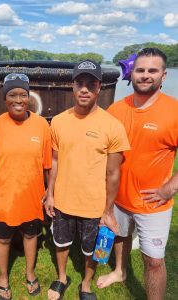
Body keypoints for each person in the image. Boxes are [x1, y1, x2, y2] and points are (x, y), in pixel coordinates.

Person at [96, 48, 178, 300]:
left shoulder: (174, 111)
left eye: (152, 70)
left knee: (153, 261)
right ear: (132, 73)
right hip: (117, 198)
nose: (145, 75)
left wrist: (170, 187)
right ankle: (120, 271)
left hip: (153, 203)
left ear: (163, 76)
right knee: (120, 237)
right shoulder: (116, 110)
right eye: (140, 70)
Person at [45, 60, 130, 300]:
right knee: (61, 243)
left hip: (94, 204)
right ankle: (62, 277)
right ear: (72, 86)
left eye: (90, 84)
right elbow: (54, 161)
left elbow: (114, 173)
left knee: (91, 249)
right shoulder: (59, 121)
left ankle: (86, 284)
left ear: (99, 87)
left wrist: (108, 209)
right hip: (62, 200)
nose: (84, 89)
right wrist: (50, 194)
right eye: (79, 83)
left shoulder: (112, 126)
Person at [0, 73, 52, 300]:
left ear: (28, 96)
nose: (18, 100)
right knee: (3, 238)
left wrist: (49, 192)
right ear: (5, 98)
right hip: (3, 197)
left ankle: (30, 272)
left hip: (32, 196)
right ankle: (3, 276)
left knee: (31, 236)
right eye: (12, 94)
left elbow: (47, 165)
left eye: (23, 94)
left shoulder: (42, 125)